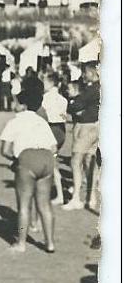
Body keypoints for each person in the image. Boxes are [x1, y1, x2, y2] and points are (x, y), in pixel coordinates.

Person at [0, 84, 59, 254]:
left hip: (27, 159)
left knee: (24, 205)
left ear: (23, 105)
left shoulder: (15, 122)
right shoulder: (41, 121)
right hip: (46, 159)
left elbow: (4, 150)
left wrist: (16, 160)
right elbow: (53, 147)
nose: (14, 105)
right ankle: (50, 243)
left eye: (16, 103)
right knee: (44, 204)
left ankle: (21, 243)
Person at [63, 62, 100, 211]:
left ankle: (76, 197)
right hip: (97, 127)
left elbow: (75, 105)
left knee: (76, 161)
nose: (83, 75)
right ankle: (91, 197)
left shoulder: (91, 89)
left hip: (85, 127)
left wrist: (74, 104)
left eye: (85, 72)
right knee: (91, 163)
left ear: (91, 73)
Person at [39, 71, 69, 205]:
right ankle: (58, 192)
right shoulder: (63, 99)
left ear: (50, 83)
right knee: (53, 161)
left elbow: (41, 115)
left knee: (52, 164)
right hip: (61, 131)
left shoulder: (46, 98)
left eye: (44, 82)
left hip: (50, 129)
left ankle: (59, 195)